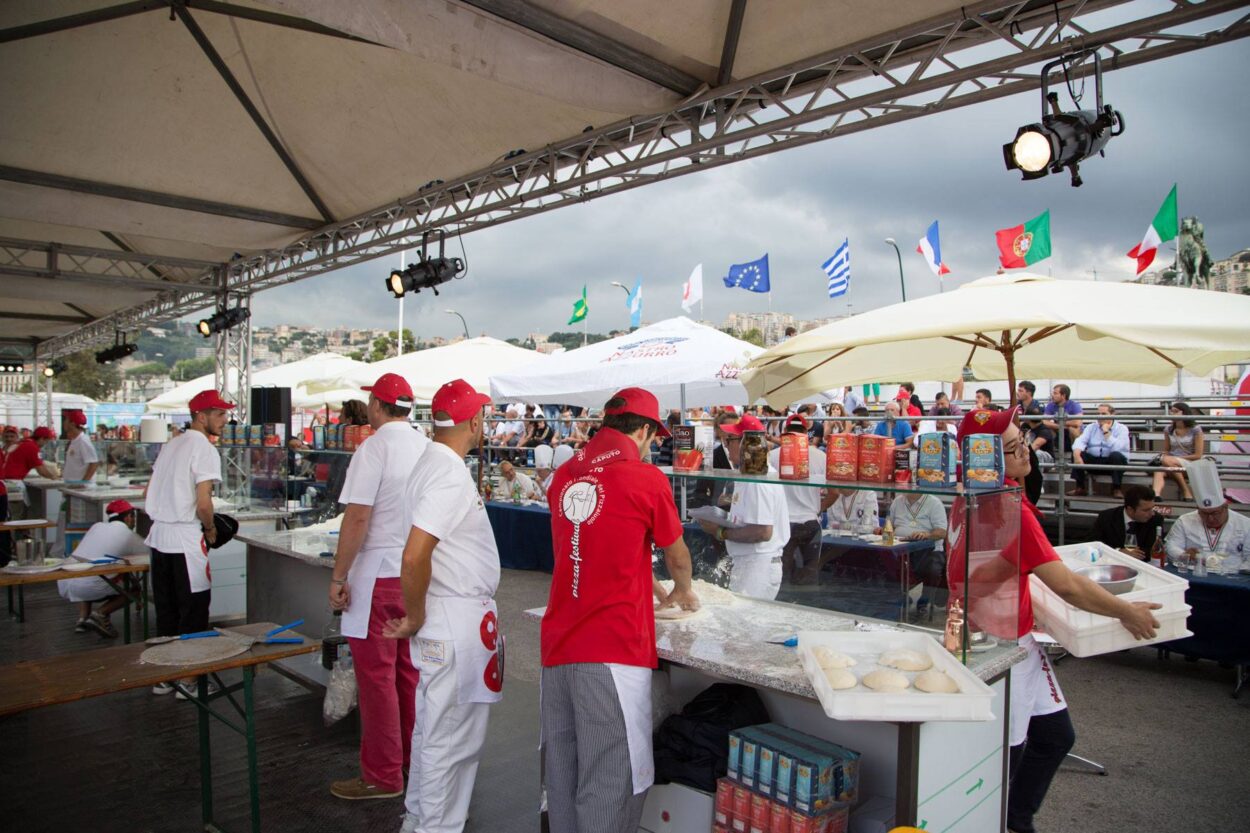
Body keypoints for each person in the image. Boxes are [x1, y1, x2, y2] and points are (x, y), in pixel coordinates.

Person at [947, 408, 1160, 833]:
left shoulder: (976, 494)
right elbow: (1070, 587)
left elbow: (989, 569)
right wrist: (1127, 612)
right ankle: (998, 821)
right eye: (1012, 448)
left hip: (1005, 631)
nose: (1025, 450)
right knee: (1002, 756)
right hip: (1003, 644)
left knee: (1054, 737)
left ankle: (1015, 818)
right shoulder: (1007, 507)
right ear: (984, 459)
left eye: (1022, 439)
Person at [541, 387, 698, 833]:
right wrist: (682, 590)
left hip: (558, 647)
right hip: (612, 650)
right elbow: (677, 554)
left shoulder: (566, 474)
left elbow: (596, 547)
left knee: (564, 775)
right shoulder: (644, 477)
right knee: (610, 779)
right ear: (646, 431)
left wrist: (646, 582)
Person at [382, 379, 502, 833]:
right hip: (453, 616)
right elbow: (414, 554)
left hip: (452, 613)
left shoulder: (430, 462)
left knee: (437, 731)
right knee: (449, 738)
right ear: (475, 421)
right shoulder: (448, 472)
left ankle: (421, 820)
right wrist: (415, 616)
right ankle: (434, 826)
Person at [327, 373, 429, 801]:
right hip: (416, 574)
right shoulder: (427, 447)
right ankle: (409, 764)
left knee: (377, 680)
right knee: (409, 674)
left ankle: (383, 775)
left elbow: (357, 518)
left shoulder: (373, 448)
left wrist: (338, 575)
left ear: (376, 405)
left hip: (377, 577)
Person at [143, 390, 232, 695]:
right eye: (219, 414)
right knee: (193, 611)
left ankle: (164, 675)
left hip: (159, 536)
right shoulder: (204, 449)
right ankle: (189, 681)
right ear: (200, 415)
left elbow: (149, 490)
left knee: (167, 610)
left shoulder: (172, 444)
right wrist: (209, 528)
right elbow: (203, 502)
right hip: (184, 537)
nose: (225, 419)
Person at [698, 415, 790, 599]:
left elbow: (762, 532)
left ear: (744, 443)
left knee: (747, 623)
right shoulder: (751, 476)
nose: (725, 445)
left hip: (757, 565)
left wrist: (719, 531)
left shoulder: (757, 480)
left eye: (729, 440)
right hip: (753, 563)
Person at [57, 499, 147, 637]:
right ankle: (100, 614)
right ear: (128, 517)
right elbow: (148, 553)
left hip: (66, 580)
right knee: (135, 590)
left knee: (89, 569)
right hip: (89, 584)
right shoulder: (129, 535)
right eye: (133, 516)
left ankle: (82, 619)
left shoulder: (96, 526)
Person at [767, 416, 832, 583]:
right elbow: (835, 493)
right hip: (810, 522)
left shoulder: (772, 456)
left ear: (785, 433)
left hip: (782, 524)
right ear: (806, 434)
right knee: (809, 579)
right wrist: (817, 509)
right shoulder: (820, 456)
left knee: (780, 581)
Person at [1164, 460, 1249, 567]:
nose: (1210, 518)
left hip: (1232, 577)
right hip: (1194, 574)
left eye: (1215, 513)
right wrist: (1183, 555)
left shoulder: (1245, 524)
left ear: (1225, 507)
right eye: (1204, 513)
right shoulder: (1185, 521)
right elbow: (1171, 545)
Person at [1069, 404, 1131, 497]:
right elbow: (1080, 441)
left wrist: (1106, 432)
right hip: (1095, 460)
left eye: (1104, 413)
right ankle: (1080, 487)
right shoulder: (1091, 427)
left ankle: (1116, 488)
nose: (1100, 416)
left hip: (1113, 462)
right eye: (1098, 413)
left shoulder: (1122, 428)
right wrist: (1077, 454)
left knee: (1116, 456)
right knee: (1077, 453)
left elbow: (1118, 447)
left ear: (1112, 414)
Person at [1152, 402, 1204, 501]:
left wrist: (1173, 459)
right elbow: (1167, 450)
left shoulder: (1195, 429)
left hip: (1190, 462)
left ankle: (1185, 490)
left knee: (1167, 460)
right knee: (1159, 469)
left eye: (1175, 411)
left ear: (1184, 413)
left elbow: (1198, 455)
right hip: (1173, 464)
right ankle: (1156, 495)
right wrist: (1166, 458)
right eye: (1171, 411)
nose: (1172, 414)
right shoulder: (1168, 429)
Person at [1092, 485, 1163, 559]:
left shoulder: (1156, 519)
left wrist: (1131, 554)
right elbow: (1093, 544)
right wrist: (1118, 552)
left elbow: (1154, 550)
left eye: (1152, 508)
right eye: (1146, 510)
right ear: (1130, 509)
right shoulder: (1107, 517)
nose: (1152, 513)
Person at [1042, 384, 1083, 452]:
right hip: (1059, 430)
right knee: (1046, 430)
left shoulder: (1074, 405)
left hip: (1070, 431)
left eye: (1055, 393)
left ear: (1063, 395)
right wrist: (1060, 426)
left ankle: (1075, 453)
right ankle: (1051, 453)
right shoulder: (1051, 405)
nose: (1052, 395)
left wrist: (1062, 422)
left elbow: (1077, 422)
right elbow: (1044, 422)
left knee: (1073, 429)